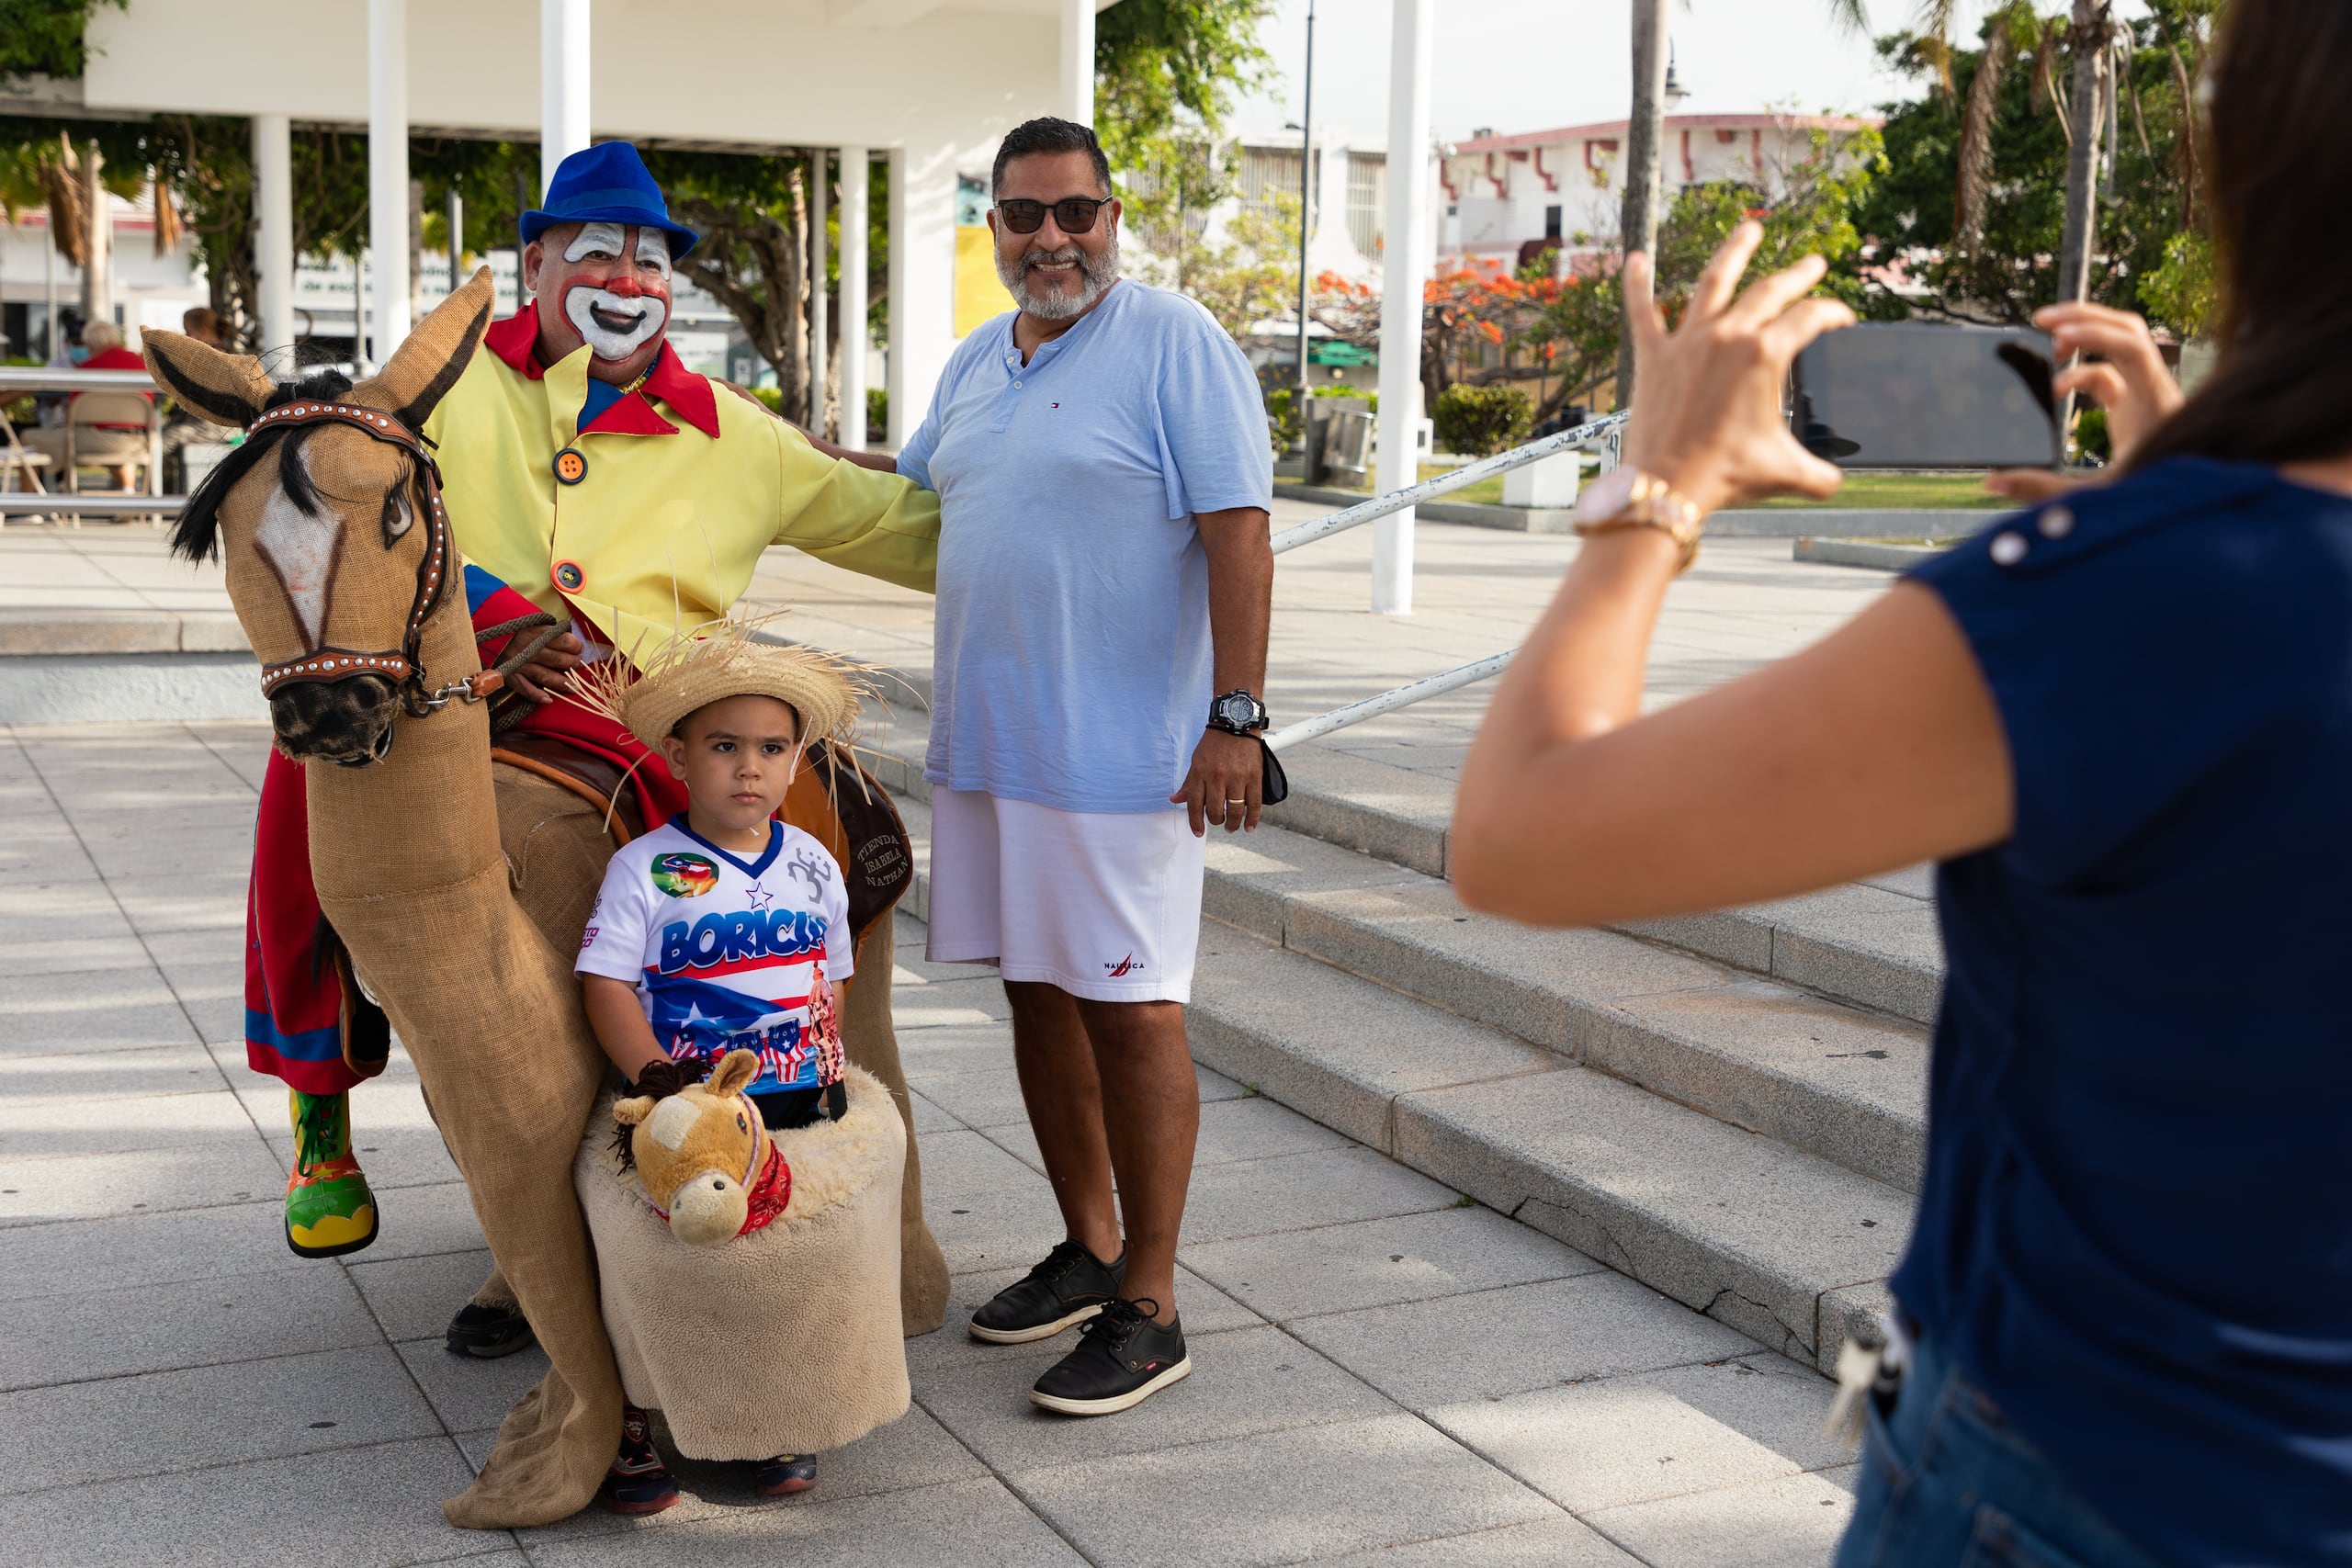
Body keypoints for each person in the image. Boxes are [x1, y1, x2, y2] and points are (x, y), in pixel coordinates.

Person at [1449, 1, 2352, 1561]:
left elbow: (1525, 835)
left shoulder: (2130, 600)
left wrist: (1657, 480)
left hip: (2108, 1469)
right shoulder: (2168, 584)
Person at [226, 140, 953, 1517]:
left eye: (650, 259)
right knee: (328, 822)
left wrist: (1058, 473)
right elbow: (351, 498)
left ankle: (777, 1210)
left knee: (726, 918)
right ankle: (333, 1103)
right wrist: (503, 615)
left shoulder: (737, 431)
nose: (624, 279)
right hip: (480, 704)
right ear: (539, 263)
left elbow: (910, 525)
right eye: (595, 253)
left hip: (675, 731)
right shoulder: (448, 385)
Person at [895, 116, 1274, 1416]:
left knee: (1132, 1007)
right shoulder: (970, 365)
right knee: (1039, 994)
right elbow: (902, 504)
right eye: (1024, 214)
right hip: (994, 751)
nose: (1051, 236)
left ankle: (1152, 1301)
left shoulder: (1173, 340)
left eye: (1077, 212)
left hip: (1125, 762)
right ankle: (1088, 1241)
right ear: (990, 225)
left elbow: (1239, 532)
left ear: (1115, 217)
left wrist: (1237, 715)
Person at [572, 635, 865, 1512]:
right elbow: (605, 983)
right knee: (669, 1264)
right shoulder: (645, 868)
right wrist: (661, 1082)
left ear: (795, 761)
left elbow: (832, 972)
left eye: (772, 749)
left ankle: (772, 1412)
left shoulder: (813, 861)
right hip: (690, 1110)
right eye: (725, 746)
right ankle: (637, 1418)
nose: (750, 768)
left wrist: (822, 1063)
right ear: (679, 757)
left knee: (777, 1264)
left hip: (793, 1097)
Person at [21, 320, 153, 490]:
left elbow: (73, 414)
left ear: (93, 342)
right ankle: (128, 499)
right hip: (137, 440)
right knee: (114, 446)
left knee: (28, 439)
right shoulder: (139, 363)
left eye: (87, 344)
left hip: (95, 440)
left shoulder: (89, 368)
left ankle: (28, 507)